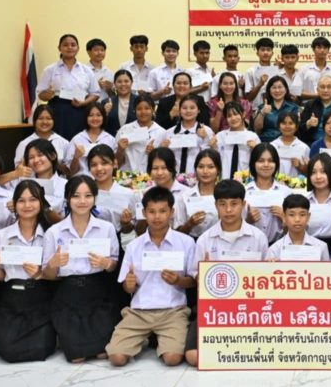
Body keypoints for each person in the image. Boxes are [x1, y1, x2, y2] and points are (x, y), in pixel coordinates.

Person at [106, 186, 195, 368]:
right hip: (140, 311)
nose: (157, 217)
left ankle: (159, 340)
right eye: (152, 212)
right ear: (144, 213)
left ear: (171, 212)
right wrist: (129, 284)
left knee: (172, 359)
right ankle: (145, 338)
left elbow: (194, 281)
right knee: (116, 358)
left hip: (173, 311)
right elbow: (127, 287)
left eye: (162, 211)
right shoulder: (134, 246)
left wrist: (178, 281)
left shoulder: (186, 242)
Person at [185, 179, 270, 366]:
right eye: (223, 204)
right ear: (216, 205)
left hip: (251, 308)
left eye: (234, 204)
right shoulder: (205, 239)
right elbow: (194, 275)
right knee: (193, 356)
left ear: (243, 204)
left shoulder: (258, 237)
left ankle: (231, 352)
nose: (229, 210)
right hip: (214, 307)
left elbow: (267, 277)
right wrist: (203, 275)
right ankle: (231, 353)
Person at [42, 175, 121, 362]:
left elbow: (114, 265)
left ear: (95, 198)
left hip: (98, 292)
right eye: (76, 196)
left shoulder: (106, 228)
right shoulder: (54, 232)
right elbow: (47, 275)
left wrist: (106, 264)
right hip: (68, 295)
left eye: (88, 195)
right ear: (67, 199)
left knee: (103, 353)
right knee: (77, 357)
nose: (82, 201)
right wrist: (53, 264)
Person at [0, 180, 57, 363]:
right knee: (8, 351)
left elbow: (56, 275)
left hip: (40, 297)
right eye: (21, 200)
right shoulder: (0, 236)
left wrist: (40, 274)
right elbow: (1, 277)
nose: (27, 205)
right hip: (11, 299)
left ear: (41, 203)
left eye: (33, 200)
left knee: (41, 349)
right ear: (14, 204)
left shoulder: (51, 234)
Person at [36, 33, 101, 140]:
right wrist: (47, 95)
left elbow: (96, 93)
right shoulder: (50, 69)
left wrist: (84, 103)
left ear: (78, 48)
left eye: (73, 45)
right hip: (57, 109)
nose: (69, 47)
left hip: (80, 109)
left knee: (79, 140)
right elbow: (41, 94)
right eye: (65, 45)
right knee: (58, 140)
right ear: (59, 48)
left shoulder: (86, 70)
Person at [86, 145, 137, 248]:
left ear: (115, 163)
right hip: (88, 242)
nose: (99, 168)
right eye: (93, 165)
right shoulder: (84, 192)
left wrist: (126, 224)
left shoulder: (127, 194)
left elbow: (134, 226)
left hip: (118, 242)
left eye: (104, 163)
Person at [244, 143, 290, 243]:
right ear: (253, 163)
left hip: (278, 245)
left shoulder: (285, 192)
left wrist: (285, 218)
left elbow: (293, 229)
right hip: (250, 245)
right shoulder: (245, 191)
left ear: (276, 164)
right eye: (261, 161)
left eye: (270, 161)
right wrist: (248, 221)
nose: (266, 165)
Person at [158, 94, 214, 175]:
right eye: (184, 108)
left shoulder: (207, 131)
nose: (188, 111)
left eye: (192, 108)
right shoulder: (169, 132)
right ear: (179, 110)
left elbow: (211, 157)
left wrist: (205, 138)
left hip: (198, 176)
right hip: (174, 176)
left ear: (198, 110)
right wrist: (162, 149)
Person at [305, 154, 331, 253]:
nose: (318, 177)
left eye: (323, 172)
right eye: (313, 172)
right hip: (309, 249)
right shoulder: (304, 202)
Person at [267, 194, 331, 261]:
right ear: (284, 216)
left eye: (302, 215)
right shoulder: (275, 249)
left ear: (308, 217)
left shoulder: (321, 246)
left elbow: (327, 267)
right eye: (291, 215)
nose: (297, 219)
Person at [10, 104, 70, 173]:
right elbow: (18, 171)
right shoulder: (24, 144)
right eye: (40, 118)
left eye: (48, 118)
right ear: (34, 121)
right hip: (31, 179)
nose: (44, 122)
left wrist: (53, 161)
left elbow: (68, 171)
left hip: (57, 179)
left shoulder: (63, 143)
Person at [64, 102, 118, 176]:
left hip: (104, 179)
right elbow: (72, 172)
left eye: (98, 115)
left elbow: (115, 167)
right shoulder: (77, 139)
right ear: (86, 118)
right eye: (91, 115)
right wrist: (76, 157)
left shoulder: (111, 139)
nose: (95, 118)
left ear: (103, 117)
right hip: (82, 180)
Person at [115, 95, 165, 173]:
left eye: (147, 108)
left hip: (152, 176)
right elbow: (116, 163)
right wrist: (120, 150)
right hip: (127, 176)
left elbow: (165, 163)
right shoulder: (124, 130)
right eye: (139, 109)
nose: (143, 112)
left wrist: (154, 154)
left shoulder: (162, 132)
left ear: (153, 110)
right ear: (134, 110)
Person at [146, 147, 191, 232]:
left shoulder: (187, 193)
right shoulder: (144, 194)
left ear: (173, 168)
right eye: (155, 168)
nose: (159, 173)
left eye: (164, 168)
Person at [181, 149, 222, 239]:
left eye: (211, 167)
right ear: (195, 169)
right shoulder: (185, 196)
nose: (205, 171)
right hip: (192, 242)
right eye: (201, 167)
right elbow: (178, 233)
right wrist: (190, 224)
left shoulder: (224, 195)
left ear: (218, 170)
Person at [211, 101, 259, 176]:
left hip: (245, 179)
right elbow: (215, 159)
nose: (233, 118)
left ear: (243, 114)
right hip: (225, 178)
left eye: (236, 114)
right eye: (229, 116)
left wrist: (255, 149)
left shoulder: (252, 136)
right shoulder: (220, 136)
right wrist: (212, 147)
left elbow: (259, 159)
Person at [299, 75, 331, 146]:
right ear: (317, 90)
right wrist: (308, 124)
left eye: (329, 87)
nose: (325, 90)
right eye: (322, 87)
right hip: (312, 143)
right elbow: (300, 130)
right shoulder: (309, 105)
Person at [253, 75, 299, 142]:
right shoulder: (262, 107)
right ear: (269, 90)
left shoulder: (293, 108)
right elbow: (257, 129)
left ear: (286, 89)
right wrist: (262, 113)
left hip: (286, 141)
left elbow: (296, 130)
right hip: (266, 142)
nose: (277, 90)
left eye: (280, 87)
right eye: (274, 88)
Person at [244, 37, 280, 109]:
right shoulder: (250, 71)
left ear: (272, 53)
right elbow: (248, 98)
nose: (265, 52)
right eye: (262, 50)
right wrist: (260, 84)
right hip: (256, 110)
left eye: (268, 50)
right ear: (257, 53)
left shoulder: (278, 70)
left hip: (275, 110)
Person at [299, 36, 331, 102]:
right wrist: (318, 95)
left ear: (328, 50)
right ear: (313, 49)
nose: (322, 50)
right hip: (308, 104)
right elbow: (297, 92)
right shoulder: (303, 69)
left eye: (325, 48)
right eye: (319, 47)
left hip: (330, 105)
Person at [271, 112, 309, 177]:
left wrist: (300, 166)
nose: (287, 126)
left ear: (296, 127)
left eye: (291, 123)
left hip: (297, 182)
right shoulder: (272, 146)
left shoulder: (304, 148)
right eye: (284, 123)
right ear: (279, 126)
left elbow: (309, 171)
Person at [104, 69, 141, 136]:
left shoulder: (140, 101)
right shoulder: (106, 102)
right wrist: (105, 114)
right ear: (114, 84)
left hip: (135, 139)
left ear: (131, 82)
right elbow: (100, 126)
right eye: (119, 82)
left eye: (126, 81)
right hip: (112, 139)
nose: (123, 84)